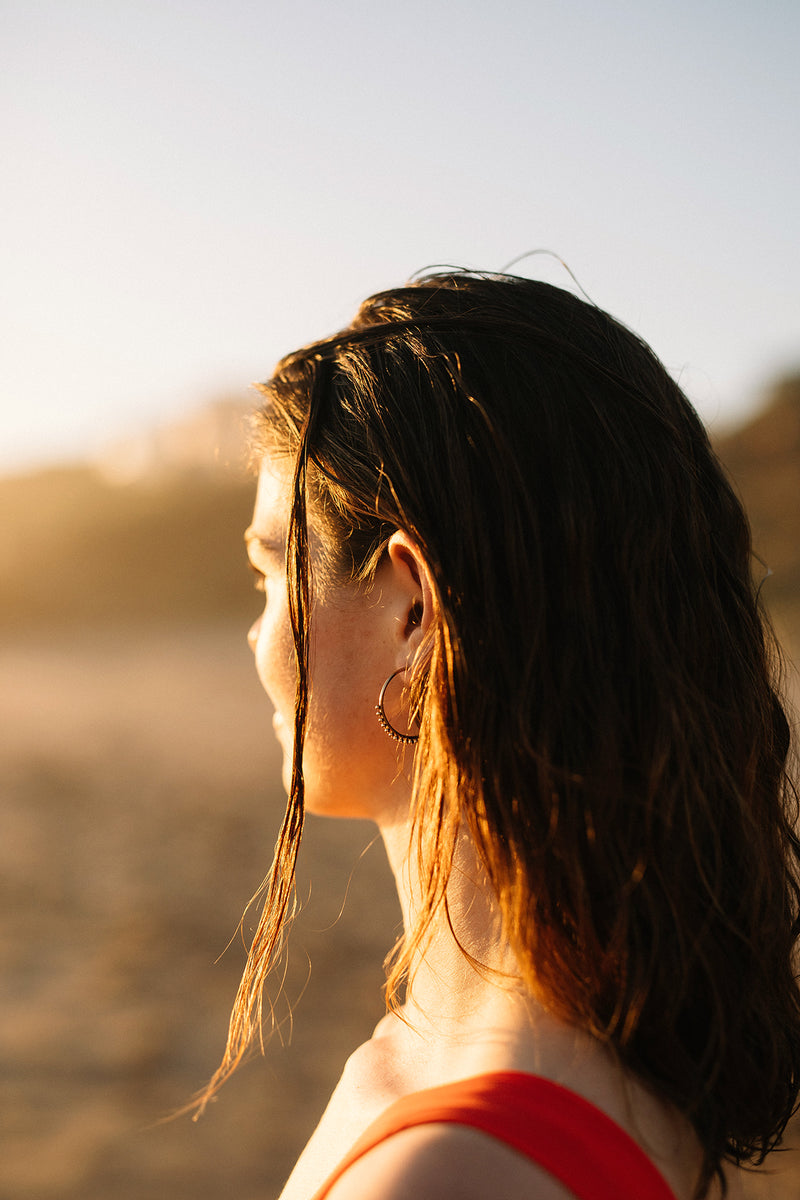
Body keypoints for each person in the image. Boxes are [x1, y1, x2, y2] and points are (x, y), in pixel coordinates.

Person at [211, 272, 800, 1198]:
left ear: (412, 608)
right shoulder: (607, 1055)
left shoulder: (452, 1173)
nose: (258, 632)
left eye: (273, 570)